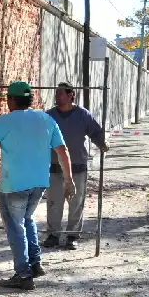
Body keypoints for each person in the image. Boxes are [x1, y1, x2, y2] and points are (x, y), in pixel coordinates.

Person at [0, 81, 75, 290]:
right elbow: (62, 150)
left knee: (15, 227)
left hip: (15, 184)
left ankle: (23, 274)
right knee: (27, 219)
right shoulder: (46, 119)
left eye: (7, 98)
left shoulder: (5, 121)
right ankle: (35, 264)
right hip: (39, 183)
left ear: (11, 100)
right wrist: (69, 179)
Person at [42, 82, 108, 250]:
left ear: (71, 95)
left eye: (61, 93)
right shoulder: (49, 116)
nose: (57, 96)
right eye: (56, 93)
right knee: (54, 202)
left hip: (78, 166)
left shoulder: (82, 115)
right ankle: (53, 234)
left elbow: (95, 132)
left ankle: (72, 235)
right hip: (55, 166)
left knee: (76, 202)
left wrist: (102, 143)